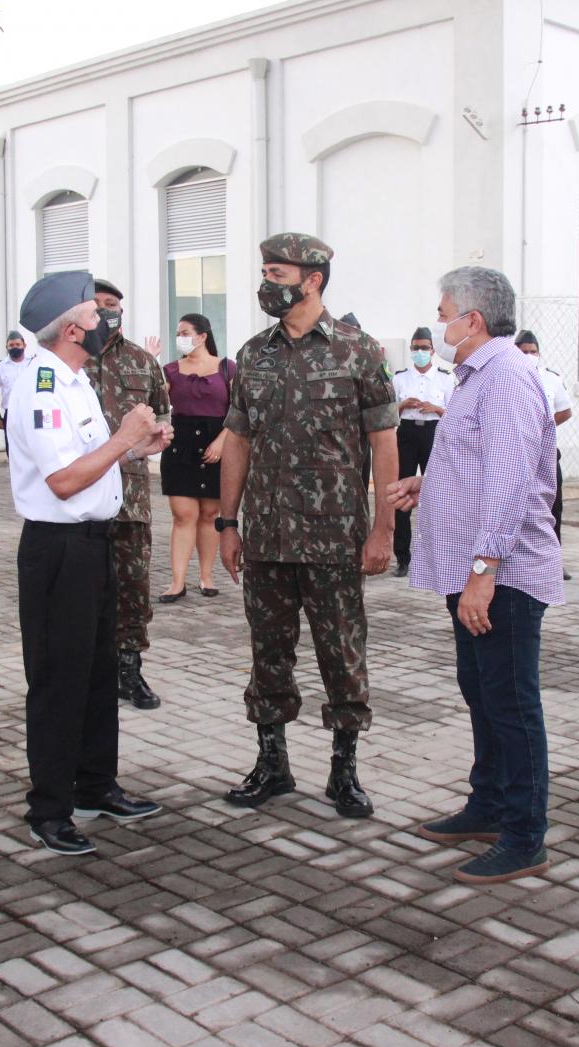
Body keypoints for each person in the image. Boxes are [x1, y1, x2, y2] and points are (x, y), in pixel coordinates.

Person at [386, 267, 562, 884]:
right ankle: (488, 804)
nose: (438, 324)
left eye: (444, 313)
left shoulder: (507, 378)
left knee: (511, 702)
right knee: (481, 691)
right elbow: (477, 463)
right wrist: (425, 482)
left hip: (501, 574)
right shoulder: (476, 377)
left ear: (474, 320)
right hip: (473, 568)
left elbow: (512, 481)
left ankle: (524, 834)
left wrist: (485, 570)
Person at [217, 232, 398, 818]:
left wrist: (383, 530)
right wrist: (227, 522)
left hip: (334, 537)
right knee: (268, 653)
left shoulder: (359, 350)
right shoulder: (252, 355)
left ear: (312, 279)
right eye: (265, 272)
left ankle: (344, 771)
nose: (267, 282)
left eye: (277, 272)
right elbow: (238, 441)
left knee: (341, 655)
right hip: (267, 536)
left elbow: (384, 444)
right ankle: (272, 764)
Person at [7, 270, 173, 856]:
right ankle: (48, 809)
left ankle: (95, 784)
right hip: (59, 550)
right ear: (74, 326)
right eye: (96, 313)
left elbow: (93, 461)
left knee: (99, 673)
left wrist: (137, 445)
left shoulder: (74, 381)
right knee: (58, 681)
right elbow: (63, 480)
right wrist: (125, 435)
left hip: (96, 543)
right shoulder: (43, 386)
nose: (106, 321)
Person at [86, 279, 171, 710]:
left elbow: (163, 410)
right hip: (80, 497)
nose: (106, 311)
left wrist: (161, 432)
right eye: (98, 305)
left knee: (133, 588)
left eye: (113, 304)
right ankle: (88, 671)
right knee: (83, 590)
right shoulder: (69, 362)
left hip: (131, 496)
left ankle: (129, 671)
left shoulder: (141, 361)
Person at [159, 313, 233, 602]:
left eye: (186, 332)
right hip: (181, 446)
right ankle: (177, 582)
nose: (181, 338)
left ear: (203, 336)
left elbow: (238, 410)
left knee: (209, 514)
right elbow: (157, 402)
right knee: (183, 515)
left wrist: (222, 442)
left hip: (216, 442)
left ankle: (206, 575)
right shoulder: (170, 370)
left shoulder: (227, 368)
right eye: (178, 333)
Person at [390, 326, 453, 578]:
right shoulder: (400, 378)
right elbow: (387, 413)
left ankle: (438, 554)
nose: (420, 352)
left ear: (433, 350)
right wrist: (402, 405)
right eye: (416, 348)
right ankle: (403, 558)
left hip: (433, 433)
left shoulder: (445, 378)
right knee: (402, 493)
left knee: (437, 493)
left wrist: (437, 409)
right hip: (405, 434)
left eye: (424, 348)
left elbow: (455, 414)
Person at [514, 331, 573, 580]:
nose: (529, 356)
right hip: (516, 453)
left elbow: (565, 411)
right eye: (523, 351)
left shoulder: (551, 379)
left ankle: (553, 561)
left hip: (545, 453)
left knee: (552, 506)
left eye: (533, 351)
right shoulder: (508, 377)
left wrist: (542, 428)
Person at [0, 330, 29, 454]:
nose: (14, 347)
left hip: (30, 412)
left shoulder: (33, 363)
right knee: (12, 450)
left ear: (24, 345)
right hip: (11, 414)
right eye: (11, 345)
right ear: (6, 347)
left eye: (18, 345)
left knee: (32, 448)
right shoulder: (0, 367)